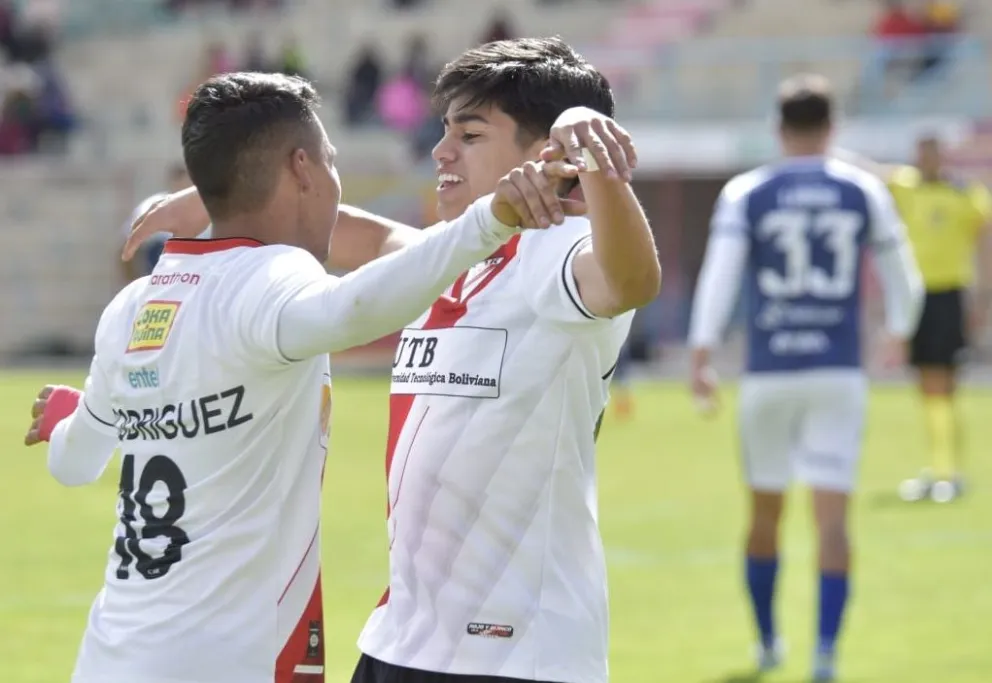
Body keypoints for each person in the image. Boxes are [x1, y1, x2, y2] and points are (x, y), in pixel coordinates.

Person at [125, 38, 661, 683]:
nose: (442, 152)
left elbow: (629, 281)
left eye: (470, 134)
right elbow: (369, 234)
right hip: (402, 638)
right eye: (444, 131)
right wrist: (222, 200)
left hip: (516, 651)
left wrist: (591, 153)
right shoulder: (453, 255)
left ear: (547, 152)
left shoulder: (560, 253)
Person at [23, 71, 585, 683]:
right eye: (331, 160)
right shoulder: (271, 282)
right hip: (235, 659)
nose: (336, 179)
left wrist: (66, 422)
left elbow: (73, 463)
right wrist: (490, 218)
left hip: (111, 652)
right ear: (301, 169)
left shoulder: (132, 307)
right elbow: (355, 307)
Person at [687, 74, 923, 682]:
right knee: (833, 519)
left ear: (778, 128)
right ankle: (825, 655)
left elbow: (720, 274)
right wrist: (899, 331)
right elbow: (906, 279)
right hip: (838, 371)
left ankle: (768, 644)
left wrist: (702, 351)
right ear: (833, 128)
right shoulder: (862, 188)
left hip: (770, 372)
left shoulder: (748, 191)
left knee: (765, 514)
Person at [839, 135, 992, 502]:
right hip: (915, 297)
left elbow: (983, 243)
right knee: (926, 383)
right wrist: (828, 147)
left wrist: (982, 298)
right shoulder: (905, 185)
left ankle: (949, 471)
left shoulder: (965, 195)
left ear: (942, 157)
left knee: (944, 383)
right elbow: (866, 169)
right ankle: (940, 468)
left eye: (932, 153)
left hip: (949, 295)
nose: (925, 160)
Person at [120, 163, 199, 284]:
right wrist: (132, 282)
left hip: (193, 277)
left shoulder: (203, 209)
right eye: (181, 179)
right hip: (157, 277)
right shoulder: (155, 204)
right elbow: (126, 243)